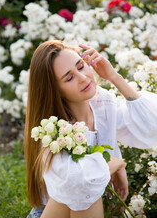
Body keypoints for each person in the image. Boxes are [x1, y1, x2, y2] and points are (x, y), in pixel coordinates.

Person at [25, 40, 157, 218]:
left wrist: (114, 77)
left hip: (90, 209)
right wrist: (116, 163)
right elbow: (80, 182)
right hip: (52, 212)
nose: (83, 78)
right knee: (83, 187)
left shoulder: (102, 104)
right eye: (69, 78)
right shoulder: (52, 130)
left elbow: (151, 125)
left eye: (81, 66)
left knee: (88, 189)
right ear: (55, 91)